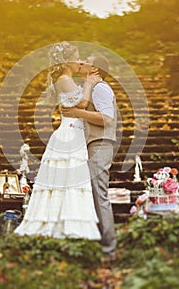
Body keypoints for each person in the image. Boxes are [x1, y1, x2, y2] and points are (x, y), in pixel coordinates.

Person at [15, 41, 101, 240]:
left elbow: (78, 105)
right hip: (69, 134)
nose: (79, 60)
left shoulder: (68, 79)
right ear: (65, 61)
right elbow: (82, 102)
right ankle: (58, 225)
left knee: (72, 181)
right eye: (76, 57)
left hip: (75, 132)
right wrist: (88, 83)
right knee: (67, 180)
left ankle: (69, 223)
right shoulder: (64, 79)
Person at [62, 53, 117, 260]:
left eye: (87, 62)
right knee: (92, 195)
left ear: (95, 70)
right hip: (92, 144)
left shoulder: (101, 88)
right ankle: (97, 245)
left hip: (100, 144)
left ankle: (109, 250)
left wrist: (79, 114)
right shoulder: (90, 89)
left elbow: (107, 118)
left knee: (99, 195)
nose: (82, 63)